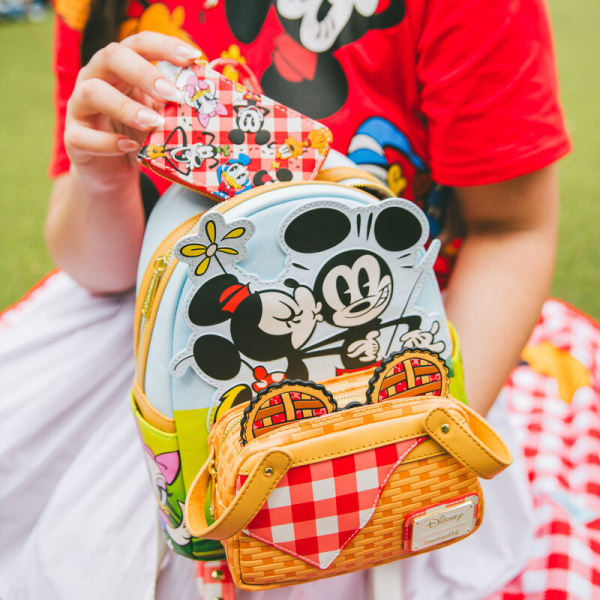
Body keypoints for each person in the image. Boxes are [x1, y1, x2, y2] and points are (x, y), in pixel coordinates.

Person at [0, 0, 578, 598]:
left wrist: (401, 450)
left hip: (387, 371)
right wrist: (99, 179)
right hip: (159, 359)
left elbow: (510, 229)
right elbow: (104, 271)